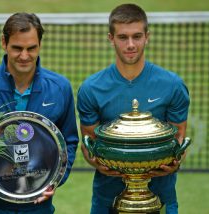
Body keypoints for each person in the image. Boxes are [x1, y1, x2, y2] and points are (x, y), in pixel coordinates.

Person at [0, 12, 79, 214]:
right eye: (17, 48)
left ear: (40, 44)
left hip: (38, 205)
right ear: (4, 43)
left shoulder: (60, 88)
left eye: (31, 48)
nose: (24, 56)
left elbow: (69, 141)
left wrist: (55, 180)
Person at [77, 3, 190, 214]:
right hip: (107, 200)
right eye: (122, 37)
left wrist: (176, 161)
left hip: (160, 198)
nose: (130, 44)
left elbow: (179, 138)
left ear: (147, 36)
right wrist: (96, 162)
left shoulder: (173, 86)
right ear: (111, 38)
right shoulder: (91, 89)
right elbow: (89, 144)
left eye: (137, 36)